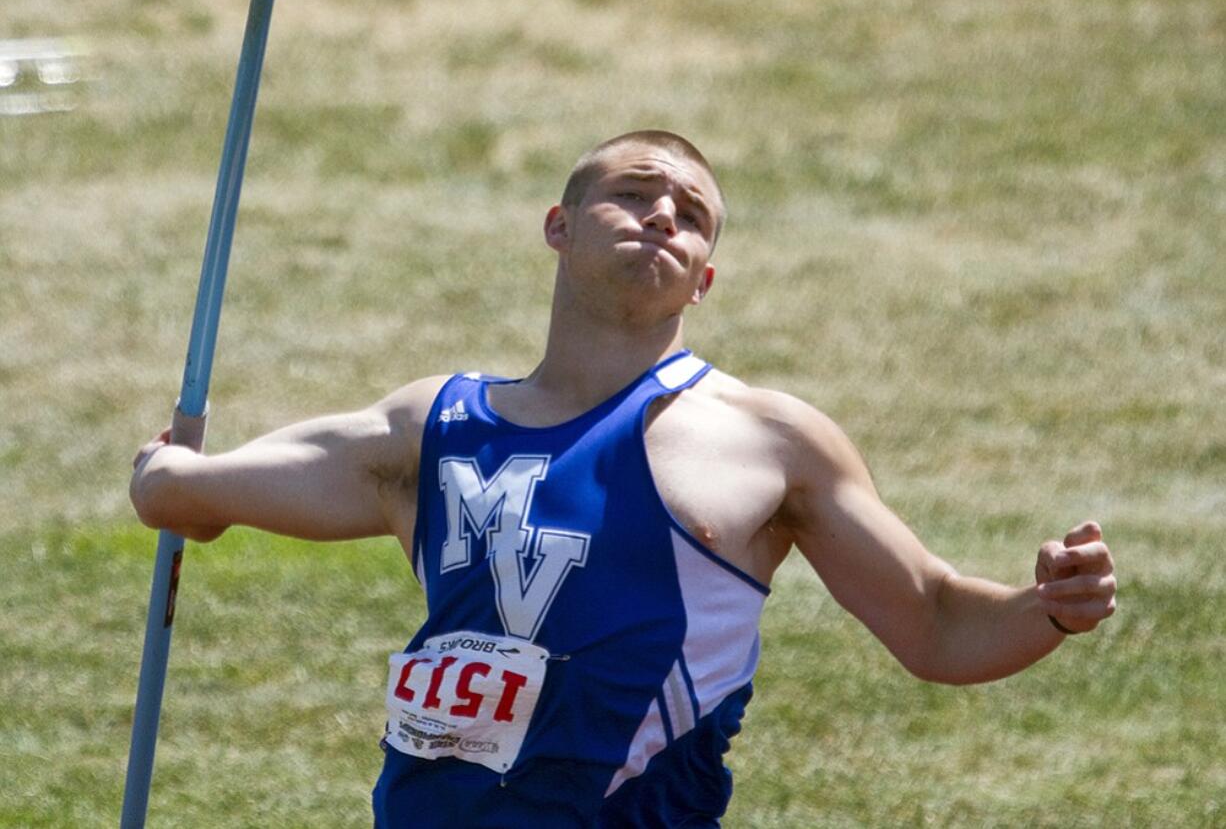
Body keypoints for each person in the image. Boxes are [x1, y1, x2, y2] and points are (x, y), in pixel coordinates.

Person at [130, 130, 1117, 828]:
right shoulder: (433, 426)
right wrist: (169, 477)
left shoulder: (768, 441)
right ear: (557, 225)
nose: (660, 216)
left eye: (689, 216)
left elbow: (938, 623)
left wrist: (1048, 607)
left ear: (702, 279)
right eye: (633, 193)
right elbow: (200, 494)